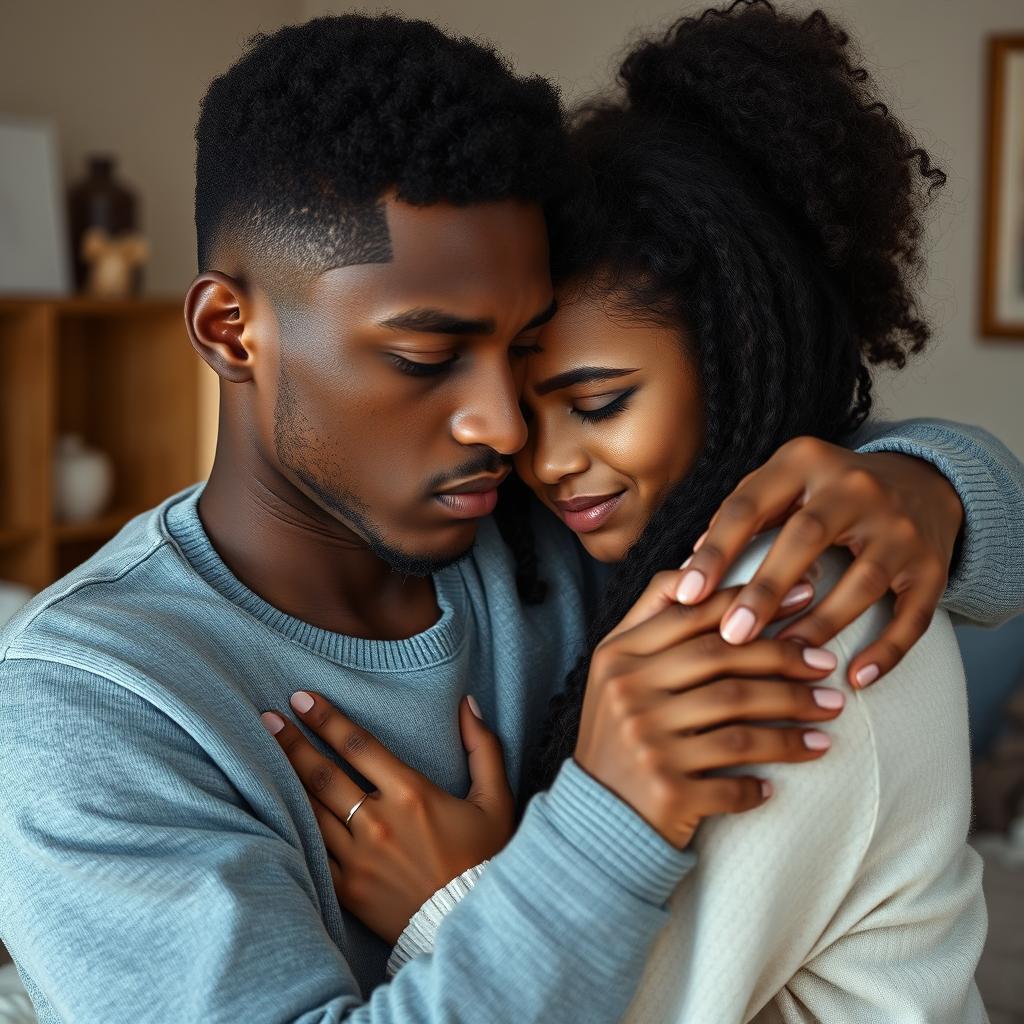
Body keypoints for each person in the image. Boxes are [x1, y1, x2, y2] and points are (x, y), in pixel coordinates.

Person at [0, 11, 1020, 1023]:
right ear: (231, 328)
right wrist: (606, 823)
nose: (505, 430)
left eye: (521, 353)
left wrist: (925, 482)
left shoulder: (548, 530)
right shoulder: (89, 705)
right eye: (427, 355)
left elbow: (867, 497)